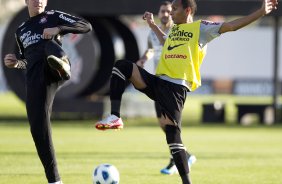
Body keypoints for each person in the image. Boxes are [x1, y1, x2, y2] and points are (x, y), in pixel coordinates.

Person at [95, 0, 278, 183]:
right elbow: (167, 42)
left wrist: (260, 12)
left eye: (175, 9)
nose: (171, 13)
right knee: (122, 67)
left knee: (172, 135)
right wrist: (152, 25)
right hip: (158, 81)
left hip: (175, 88)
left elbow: (231, 26)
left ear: (188, 10)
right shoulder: (174, 29)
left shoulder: (201, 28)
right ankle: (115, 116)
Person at [3, 0, 92, 183]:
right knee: (38, 129)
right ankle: (55, 180)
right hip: (37, 79)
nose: (39, 1)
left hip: (54, 70)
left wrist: (58, 29)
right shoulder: (21, 30)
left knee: (50, 46)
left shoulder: (53, 16)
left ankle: (63, 67)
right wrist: (16, 63)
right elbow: (28, 61)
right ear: (27, 1)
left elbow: (86, 26)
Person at [136, 1, 196, 175]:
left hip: (173, 83)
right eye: (163, 11)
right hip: (158, 81)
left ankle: (178, 158)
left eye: (169, 11)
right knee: (163, 125)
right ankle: (184, 154)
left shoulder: (178, 30)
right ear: (159, 12)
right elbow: (151, 50)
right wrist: (143, 59)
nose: (165, 14)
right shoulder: (153, 33)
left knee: (170, 125)